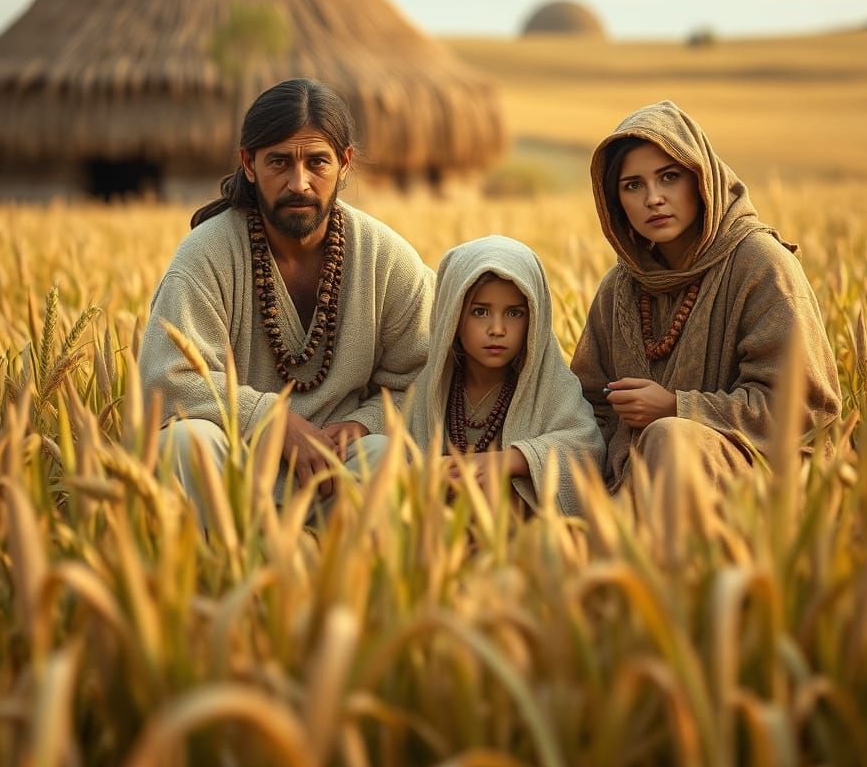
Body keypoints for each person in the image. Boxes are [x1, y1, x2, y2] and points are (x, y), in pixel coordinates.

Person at [139, 78, 434, 508]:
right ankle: (215, 566)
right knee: (186, 442)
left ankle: (348, 572)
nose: (299, 183)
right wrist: (273, 421)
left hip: (338, 464)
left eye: (318, 162)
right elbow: (168, 381)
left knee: (386, 455)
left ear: (345, 163)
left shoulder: (383, 257)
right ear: (248, 163)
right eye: (279, 162)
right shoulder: (206, 256)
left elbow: (428, 377)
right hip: (236, 461)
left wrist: (366, 424)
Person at [570, 101, 840, 494]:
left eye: (669, 177)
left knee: (668, 440)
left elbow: (800, 409)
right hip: (634, 479)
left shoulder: (760, 265)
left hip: (761, 478)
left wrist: (675, 407)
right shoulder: (620, 287)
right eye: (633, 185)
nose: (653, 198)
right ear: (615, 202)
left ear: (701, 179)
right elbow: (588, 404)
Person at [407, 236, 604, 515]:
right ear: (451, 315)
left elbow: (587, 447)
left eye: (514, 313)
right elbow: (399, 457)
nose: (497, 329)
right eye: (480, 312)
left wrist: (516, 459)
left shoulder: (550, 385)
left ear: (535, 318)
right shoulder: (429, 388)